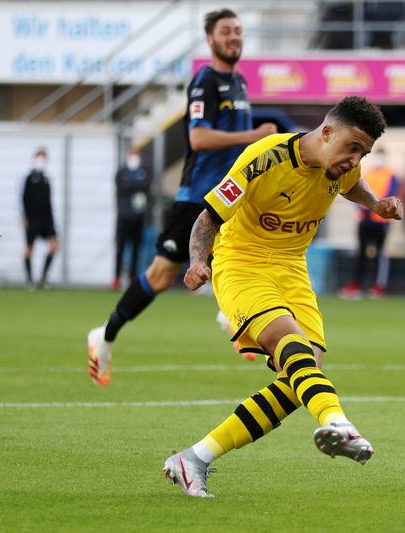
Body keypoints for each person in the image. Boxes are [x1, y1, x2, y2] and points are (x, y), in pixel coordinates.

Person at [163, 96, 402, 498]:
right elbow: (208, 216)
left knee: (301, 376)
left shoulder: (342, 164)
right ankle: (339, 423)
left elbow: (352, 183)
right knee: (293, 348)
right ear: (326, 132)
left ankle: (195, 458)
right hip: (242, 262)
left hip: (291, 267)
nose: (355, 158)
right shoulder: (264, 158)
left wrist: (375, 203)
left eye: (363, 151)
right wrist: (196, 261)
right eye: (352, 147)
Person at [87, 8, 277, 386]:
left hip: (230, 197)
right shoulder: (205, 81)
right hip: (197, 198)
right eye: (226, 31)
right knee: (160, 277)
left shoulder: (239, 82)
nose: (234, 37)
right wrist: (253, 137)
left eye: (238, 31)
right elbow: (198, 139)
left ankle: (235, 322)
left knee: (243, 258)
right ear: (210, 39)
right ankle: (104, 336)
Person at [339, 146, 398, 299]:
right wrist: (363, 208)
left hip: (380, 221)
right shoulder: (368, 173)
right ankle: (357, 285)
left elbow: (389, 195)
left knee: (379, 253)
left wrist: (375, 207)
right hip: (364, 219)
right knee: (361, 253)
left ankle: (378, 286)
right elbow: (356, 192)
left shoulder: (390, 175)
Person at [112, 148, 151, 290]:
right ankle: (116, 278)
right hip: (123, 217)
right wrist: (136, 186)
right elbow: (123, 187)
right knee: (120, 248)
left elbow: (146, 186)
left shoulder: (143, 172)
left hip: (138, 217)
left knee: (136, 249)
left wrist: (133, 185)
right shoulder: (121, 172)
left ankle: (132, 278)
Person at [21, 147, 59, 289]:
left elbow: (49, 202)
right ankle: (30, 280)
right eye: (39, 158)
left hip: (46, 219)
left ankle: (43, 277)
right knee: (29, 248)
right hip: (32, 218)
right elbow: (23, 198)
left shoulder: (46, 179)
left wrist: (53, 221)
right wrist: (24, 217)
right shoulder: (28, 178)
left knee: (54, 246)